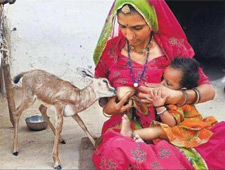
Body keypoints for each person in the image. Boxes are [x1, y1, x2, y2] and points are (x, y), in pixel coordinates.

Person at [93, 0, 225, 169]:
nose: (129, 35)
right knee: (115, 150)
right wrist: (109, 107)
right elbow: (99, 90)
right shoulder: (111, 50)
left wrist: (178, 96)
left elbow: (208, 90)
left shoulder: (171, 46)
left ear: (151, 23)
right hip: (128, 124)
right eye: (123, 26)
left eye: (137, 28)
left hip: (173, 120)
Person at [120, 57, 217, 148]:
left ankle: (131, 133)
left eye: (168, 83)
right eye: (162, 79)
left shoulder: (180, 104)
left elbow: (170, 123)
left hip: (184, 129)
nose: (161, 84)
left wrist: (159, 106)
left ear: (182, 90)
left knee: (160, 130)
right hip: (172, 126)